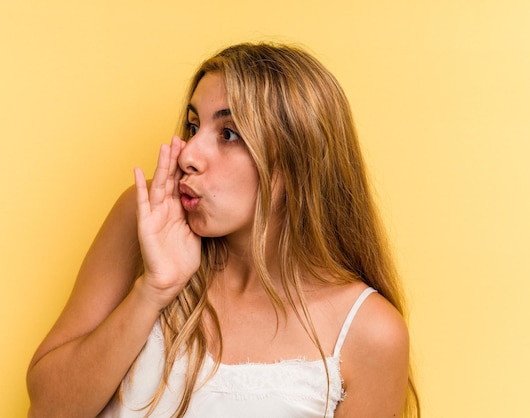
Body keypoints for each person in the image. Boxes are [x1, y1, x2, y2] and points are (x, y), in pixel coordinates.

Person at [26, 42, 420, 418]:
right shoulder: (145, 217)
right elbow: (47, 409)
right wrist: (152, 293)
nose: (189, 153)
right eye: (193, 125)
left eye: (228, 134)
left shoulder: (370, 333)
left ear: (295, 162)